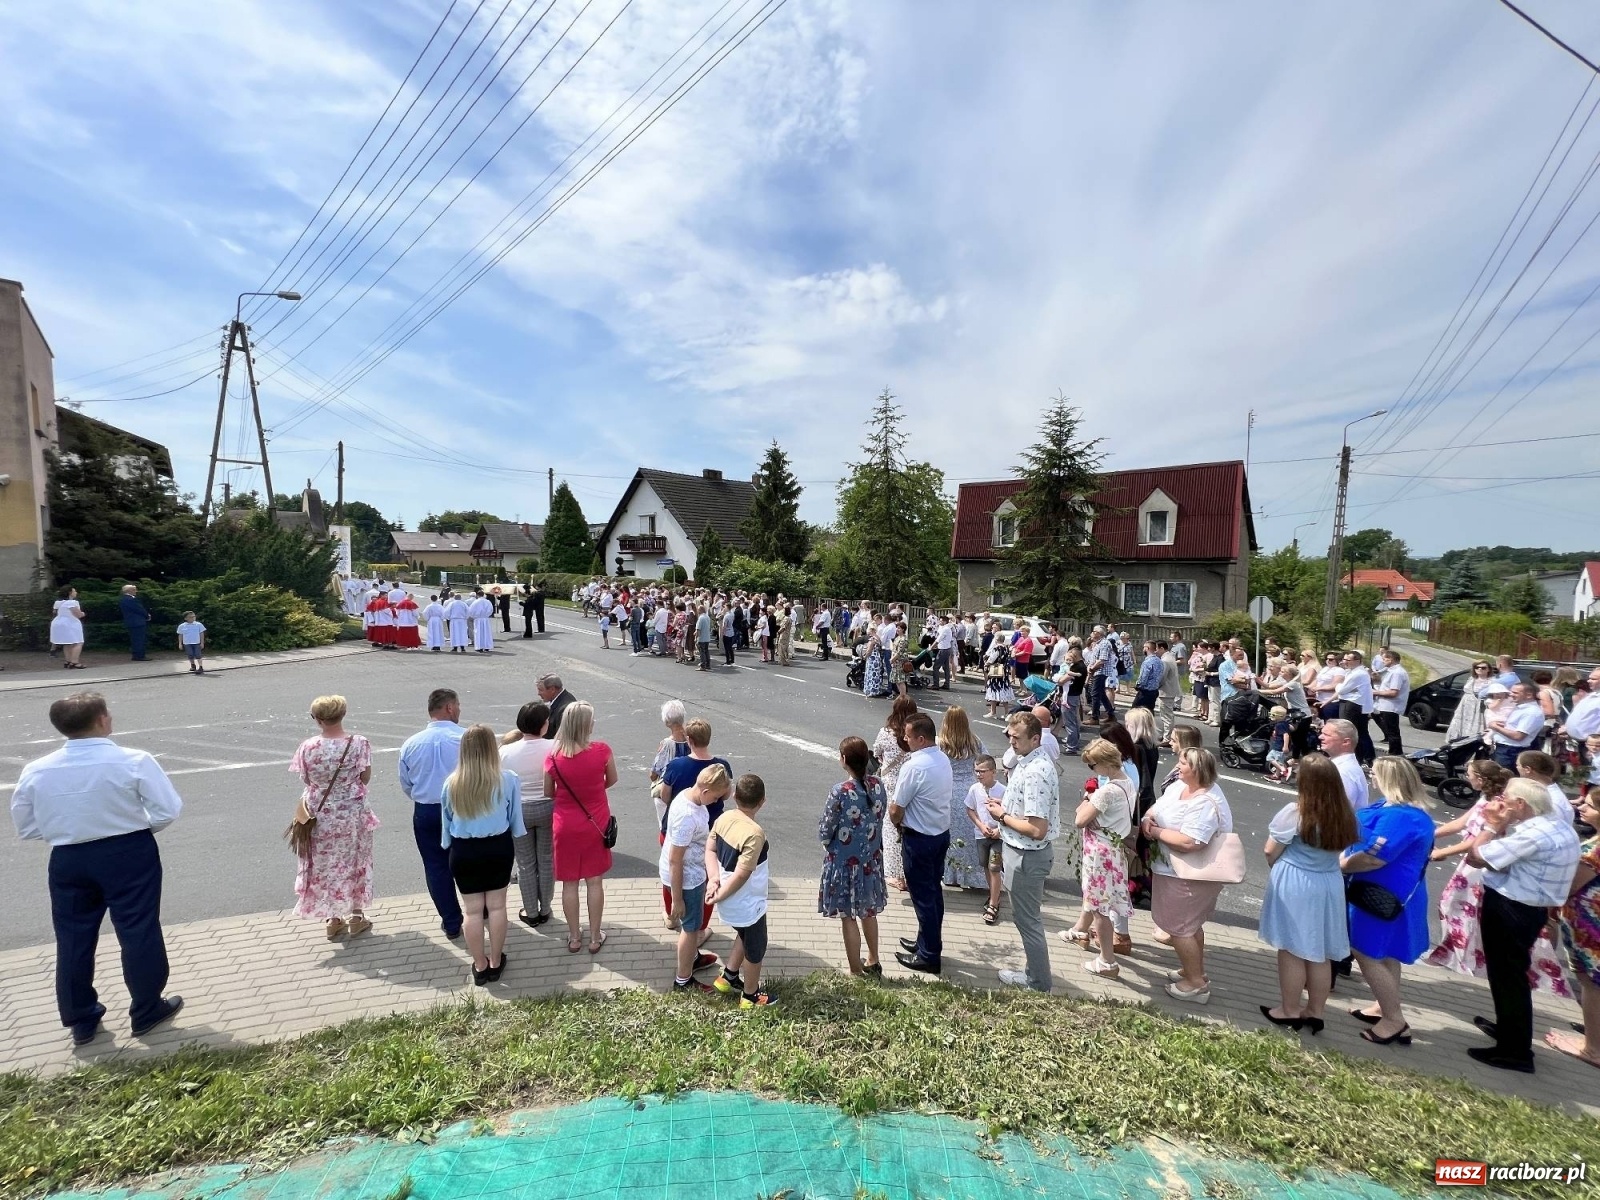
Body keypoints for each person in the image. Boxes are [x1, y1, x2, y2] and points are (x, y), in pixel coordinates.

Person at [10, 692, 185, 1045]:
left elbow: (26, 825)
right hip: (128, 850)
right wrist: (133, 829)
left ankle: (80, 1018)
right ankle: (146, 1008)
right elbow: (166, 809)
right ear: (104, 719)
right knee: (138, 928)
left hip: (68, 856)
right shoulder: (133, 760)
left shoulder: (37, 769)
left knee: (73, 936)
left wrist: (69, 829)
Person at [1465, 777, 1582, 1072]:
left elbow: (1477, 858)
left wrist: (1491, 825)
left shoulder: (1533, 836)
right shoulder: (1557, 826)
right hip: (1530, 909)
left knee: (1507, 975)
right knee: (1510, 974)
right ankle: (1510, 1030)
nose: (1500, 802)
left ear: (1521, 804)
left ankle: (1515, 1051)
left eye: (1506, 798)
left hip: (1512, 908)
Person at [1425, 759, 1569, 994]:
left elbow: (1476, 843)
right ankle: (1458, 953)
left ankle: (1470, 959)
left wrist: (1441, 851)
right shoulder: (1483, 800)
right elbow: (1461, 823)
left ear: (1480, 780)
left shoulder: (1496, 808)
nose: (1466, 777)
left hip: (1484, 865)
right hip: (1473, 863)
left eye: (1469, 774)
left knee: (1461, 908)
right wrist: (1428, 835)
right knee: (1454, 907)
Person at [1256, 753, 1358, 1034]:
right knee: (1319, 951)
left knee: (1291, 947)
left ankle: (1288, 1009)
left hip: (1297, 879)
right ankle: (1315, 1011)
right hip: (1329, 882)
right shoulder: (1345, 814)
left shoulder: (1296, 812)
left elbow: (1270, 850)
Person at [1342, 757, 1436, 1048]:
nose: (1371, 776)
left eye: (1375, 772)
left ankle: (1394, 1019)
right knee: (1386, 954)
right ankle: (1383, 1007)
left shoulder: (1400, 817)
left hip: (1381, 896)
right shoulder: (1401, 810)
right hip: (1389, 894)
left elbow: (1373, 857)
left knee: (1365, 952)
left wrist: (1342, 865)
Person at [1142, 747, 1235, 1003]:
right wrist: (1147, 820)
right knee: (1191, 925)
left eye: (1183, 762)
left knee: (1180, 928)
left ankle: (1195, 984)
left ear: (1196, 769)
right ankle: (1194, 971)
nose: (1177, 765)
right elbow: (1156, 808)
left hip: (1189, 875)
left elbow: (1192, 842)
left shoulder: (1205, 801)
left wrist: (1157, 832)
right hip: (1172, 870)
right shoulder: (1178, 787)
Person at [441, 724, 524, 985]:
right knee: (498, 906)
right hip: (498, 846)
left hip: (464, 850)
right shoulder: (508, 778)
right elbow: (516, 821)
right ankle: (496, 960)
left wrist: (448, 843)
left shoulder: (452, 783)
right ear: (492, 749)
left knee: (472, 912)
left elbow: (447, 823)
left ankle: (479, 964)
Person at [289, 695, 376, 940]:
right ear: (343, 714)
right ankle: (356, 916)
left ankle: (333, 918)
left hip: (319, 813)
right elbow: (364, 777)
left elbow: (306, 780)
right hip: (352, 812)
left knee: (326, 863)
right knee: (355, 860)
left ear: (317, 719)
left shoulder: (308, 747)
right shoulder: (359, 743)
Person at [987, 710, 1061, 990]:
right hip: (1022, 851)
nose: (1011, 742)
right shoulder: (1029, 762)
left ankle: (1039, 982)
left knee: (1027, 922)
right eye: (1009, 736)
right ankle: (1033, 973)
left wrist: (1002, 817)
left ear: (1035, 738)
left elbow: (1036, 828)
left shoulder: (1036, 772)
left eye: (1017, 738)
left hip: (1027, 855)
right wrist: (1005, 810)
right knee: (1026, 919)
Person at [544, 701, 616, 955]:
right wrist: (594, 792)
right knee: (595, 881)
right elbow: (612, 779)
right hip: (595, 821)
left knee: (570, 883)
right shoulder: (602, 751)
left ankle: (574, 937)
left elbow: (548, 792)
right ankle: (596, 937)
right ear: (587, 725)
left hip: (564, 824)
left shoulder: (553, 757)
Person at [1059, 738, 1134, 981]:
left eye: (1092, 766)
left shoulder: (1108, 791)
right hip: (1112, 849)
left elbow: (1080, 819)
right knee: (1094, 897)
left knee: (1101, 906)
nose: (1092, 770)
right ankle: (1080, 931)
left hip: (1100, 853)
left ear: (1104, 763)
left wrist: (1086, 802)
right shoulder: (1126, 783)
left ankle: (1107, 961)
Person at [398, 689, 467, 939]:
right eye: (458, 705)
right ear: (449, 707)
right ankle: (480, 912)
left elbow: (406, 784)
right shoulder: (467, 738)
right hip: (462, 806)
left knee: (436, 866)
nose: (459, 709)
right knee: (469, 861)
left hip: (426, 809)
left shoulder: (411, 743)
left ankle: (451, 922)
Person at [819, 736, 888, 976]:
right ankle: (874, 958)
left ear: (844, 760)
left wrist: (829, 844)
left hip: (844, 863)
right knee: (868, 911)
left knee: (848, 916)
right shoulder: (878, 785)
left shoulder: (840, 791)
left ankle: (855, 970)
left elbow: (826, 828)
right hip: (870, 861)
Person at [892, 713, 954, 975]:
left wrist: (896, 822)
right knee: (932, 894)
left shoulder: (914, 766)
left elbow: (896, 808)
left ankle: (929, 955)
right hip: (939, 834)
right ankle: (926, 942)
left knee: (923, 898)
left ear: (920, 738)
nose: (904, 740)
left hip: (920, 838)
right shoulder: (940, 757)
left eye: (907, 736)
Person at [706, 773, 776, 1007]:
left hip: (729, 900)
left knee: (744, 934)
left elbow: (710, 849)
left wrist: (714, 880)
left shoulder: (724, 818)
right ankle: (750, 995)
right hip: (746, 902)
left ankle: (728, 977)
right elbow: (743, 874)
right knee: (756, 948)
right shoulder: (755, 833)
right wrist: (721, 894)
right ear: (762, 802)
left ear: (734, 795)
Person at [662, 763, 732, 992]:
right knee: (691, 928)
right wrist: (678, 898)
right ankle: (683, 980)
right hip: (687, 879)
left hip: (692, 872)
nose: (716, 802)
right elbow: (675, 859)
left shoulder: (687, 795)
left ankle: (692, 958)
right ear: (704, 792)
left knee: (693, 925)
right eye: (716, 797)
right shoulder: (688, 816)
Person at [1548, 787, 1600, 1068]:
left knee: (1591, 984)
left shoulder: (1596, 849)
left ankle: (1592, 1049)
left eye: (1589, 805)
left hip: (1590, 927)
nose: (1581, 806)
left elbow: (1571, 885)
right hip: (1585, 923)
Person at [502, 701, 557, 929]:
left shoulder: (504, 751)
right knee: (546, 860)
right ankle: (545, 908)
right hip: (549, 808)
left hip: (519, 811)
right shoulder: (555, 747)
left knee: (525, 863)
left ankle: (531, 911)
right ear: (544, 725)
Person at [939, 706, 988, 889]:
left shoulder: (941, 744)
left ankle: (951, 874)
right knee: (970, 836)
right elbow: (987, 761)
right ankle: (973, 876)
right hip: (970, 792)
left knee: (950, 836)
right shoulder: (975, 742)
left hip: (948, 792)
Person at [874, 697, 919, 892]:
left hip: (890, 783)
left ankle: (896, 876)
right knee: (910, 826)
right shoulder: (916, 733)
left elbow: (876, 752)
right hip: (911, 782)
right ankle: (910, 874)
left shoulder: (886, 733)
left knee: (891, 828)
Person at [965, 754, 1006, 925]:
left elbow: (1009, 814)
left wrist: (999, 830)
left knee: (995, 868)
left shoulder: (1003, 791)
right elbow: (970, 809)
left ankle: (993, 904)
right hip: (981, 834)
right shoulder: (975, 789)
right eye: (976, 771)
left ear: (993, 772)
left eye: (982, 771)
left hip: (998, 836)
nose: (979, 774)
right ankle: (993, 894)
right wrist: (981, 826)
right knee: (986, 867)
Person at [1486, 683, 1546, 771]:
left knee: (1504, 779)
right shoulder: (1520, 708)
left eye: (1515, 693)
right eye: (1511, 691)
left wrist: (1495, 727)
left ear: (1529, 695)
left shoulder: (1531, 712)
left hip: (1511, 752)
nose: (1511, 694)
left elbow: (1518, 736)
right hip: (1504, 749)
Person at [1318, 719, 1369, 812]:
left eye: (1327, 735)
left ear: (1346, 742)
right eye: (1322, 733)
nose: (1320, 737)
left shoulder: (1343, 772)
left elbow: (1338, 813)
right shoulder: (1339, 766)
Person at [1371, 649, 1411, 757]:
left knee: (1392, 731)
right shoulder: (1391, 672)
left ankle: (1396, 753)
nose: (1383, 661)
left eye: (1384, 659)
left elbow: (1393, 692)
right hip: (1386, 705)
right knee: (1390, 730)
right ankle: (1394, 751)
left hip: (1391, 705)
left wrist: (1375, 692)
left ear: (1391, 659)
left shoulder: (1397, 673)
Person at [1446, 661, 1498, 742]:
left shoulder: (1492, 681)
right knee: (1460, 725)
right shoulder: (1471, 678)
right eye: (1477, 667)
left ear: (1488, 669)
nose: (1480, 669)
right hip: (1464, 707)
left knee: (1476, 727)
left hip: (1479, 707)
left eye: (1483, 667)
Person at [50, 586, 86, 670]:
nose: (76, 592)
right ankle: (75, 662)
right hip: (70, 623)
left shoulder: (59, 602)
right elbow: (78, 614)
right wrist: (83, 613)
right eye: (74, 591)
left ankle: (68, 661)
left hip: (58, 622)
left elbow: (54, 612)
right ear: (70, 593)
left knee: (67, 643)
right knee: (78, 642)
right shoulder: (72, 602)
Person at [537, 673, 577, 740]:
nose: (538, 693)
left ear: (552, 689)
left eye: (541, 690)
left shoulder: (564, 709)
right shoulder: (561, 699)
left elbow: (562, 740)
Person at [119, 584, 150, 661]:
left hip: (132, 622)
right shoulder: (130, 600)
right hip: (137, 622)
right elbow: (139, 609)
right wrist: (147, 615)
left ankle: (137, 655)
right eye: (134, 589)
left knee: (136, 639)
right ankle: (139, 656)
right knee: (139, 639)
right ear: (129, 591)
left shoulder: (125, 599)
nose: (136, 591)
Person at [175, 611, 206, 675]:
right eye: (190, 617)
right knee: (190, 655)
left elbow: (201, 634)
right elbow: (180, 635)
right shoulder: (182, 626)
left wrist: (202, 643)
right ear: (186, 618)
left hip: (196, 642)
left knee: (198, 655)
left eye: (193, 616)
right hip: (187, 643)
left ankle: (200, 667)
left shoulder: (198, 624)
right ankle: (193, 665)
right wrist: (180, 643)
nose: (192, 618)